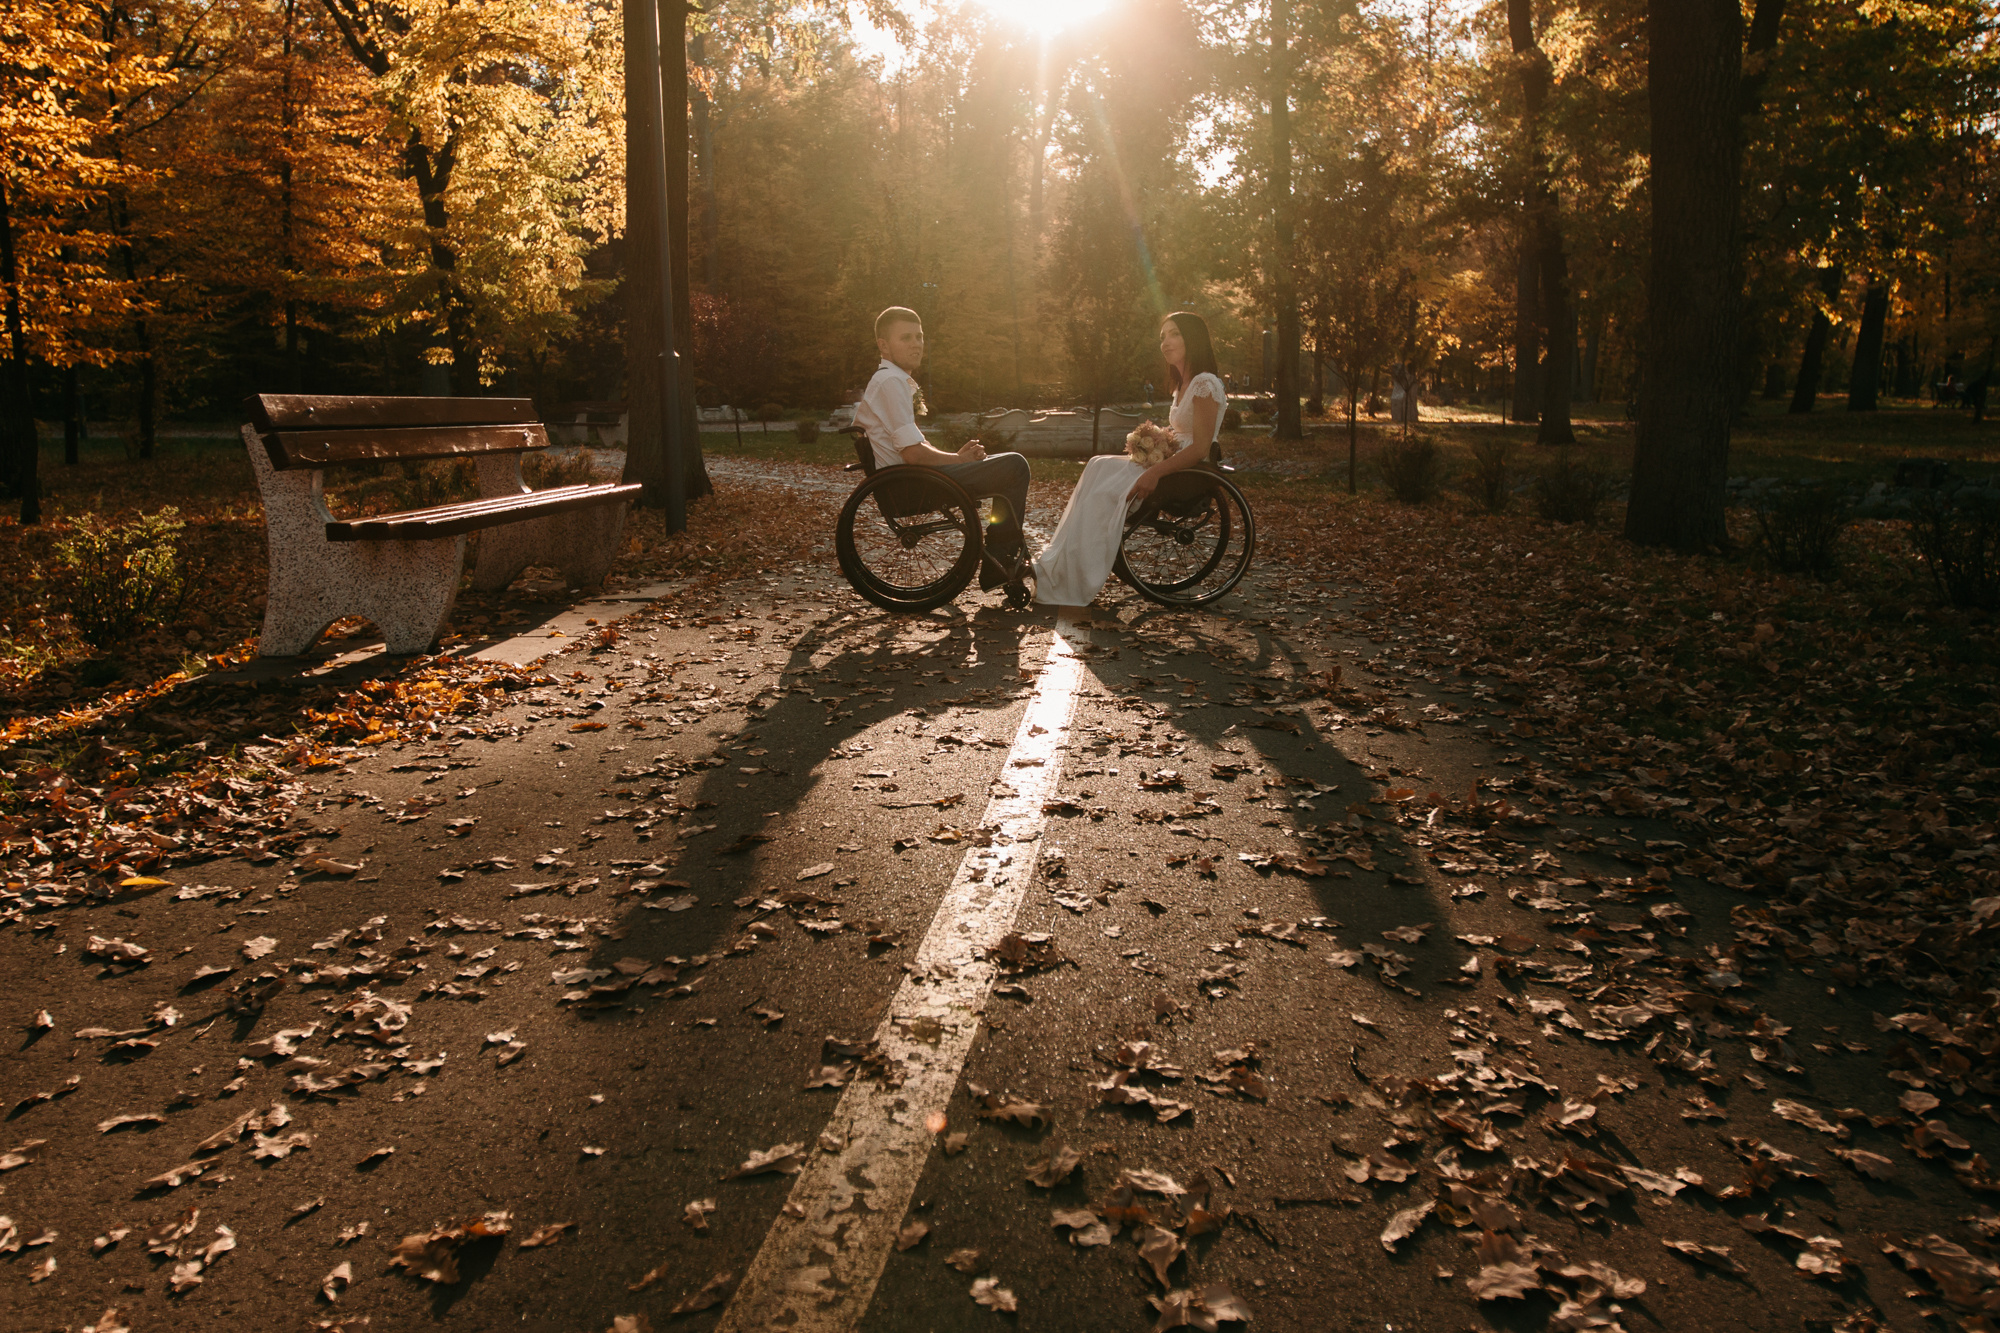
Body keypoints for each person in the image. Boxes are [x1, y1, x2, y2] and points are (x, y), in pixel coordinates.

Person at [1031, 311, 1225, 613]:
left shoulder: (1205, 384)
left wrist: (1155, 470)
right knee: (1096, 464)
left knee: (1100, 488)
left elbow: (1199, 447)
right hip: (1172, 459)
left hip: (1188, 471)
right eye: (1162, 336)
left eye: (1174, 334)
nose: (1166, 342)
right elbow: (1180, 434)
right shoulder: (1182, 384)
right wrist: (1154, 442)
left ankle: (1078, 574)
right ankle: (1060, 564)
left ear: (1193, 338)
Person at [853, 306, 1030, 590]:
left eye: (919, 337)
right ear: (883, 345)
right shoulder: (890, 381)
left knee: (1007, 466)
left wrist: (958, 458)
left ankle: (1002, 555)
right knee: (1015, 466)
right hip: (909, 485)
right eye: (906, 338)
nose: (916, 344)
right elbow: (913, 454)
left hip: (910, 480)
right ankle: (1001, 555)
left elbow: (915, 446)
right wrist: (958, 461)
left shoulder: (893, 380)